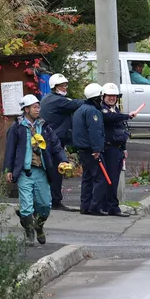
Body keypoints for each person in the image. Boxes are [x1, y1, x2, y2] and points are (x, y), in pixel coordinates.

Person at [4, 94, 69, 245]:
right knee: (26, 205)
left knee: (45, 205)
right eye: (34, 107)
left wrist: (63, 160)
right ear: (26, 109)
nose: (37, 109)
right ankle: (29, 234)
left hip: (42, 171)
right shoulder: (17, 127)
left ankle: (38, 226)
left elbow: (56, 145)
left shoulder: (44, 126)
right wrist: (8, 169)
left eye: (38, 106)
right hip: (25, 172)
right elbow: (10, 150)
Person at [39, 73, 83, 211]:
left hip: (50, 140)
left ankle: (50, 199)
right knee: (57, 170)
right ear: (54, 87)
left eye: (65, 85)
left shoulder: (48, 98)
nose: (65, 87)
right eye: (61, 85)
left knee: (51, 171)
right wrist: (92, 100)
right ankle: (55, 201)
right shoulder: (57, 100)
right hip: (54, 141)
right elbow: (75, 104)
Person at [98, 83, 136, 217]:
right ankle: (111, 207)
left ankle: (110, 205)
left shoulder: (116, 110)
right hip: (109, 149)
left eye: (114, 96)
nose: (112, 98)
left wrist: (124, 148)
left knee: (114, 179)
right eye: (109, 96)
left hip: (118, 149)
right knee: (110, 179)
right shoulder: (103, 110)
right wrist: (128, 115)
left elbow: (121, 129)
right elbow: (109, 119)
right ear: (103, 96)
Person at [71, 83, 108, 216]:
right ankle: (94, 207)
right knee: (100, 178)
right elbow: (95, 132)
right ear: (96, 98)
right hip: (92, 150)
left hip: (83, 150)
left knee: (87, 178)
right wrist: (97, 149)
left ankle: (85, 206)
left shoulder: (80, 110)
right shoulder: (93, 111)